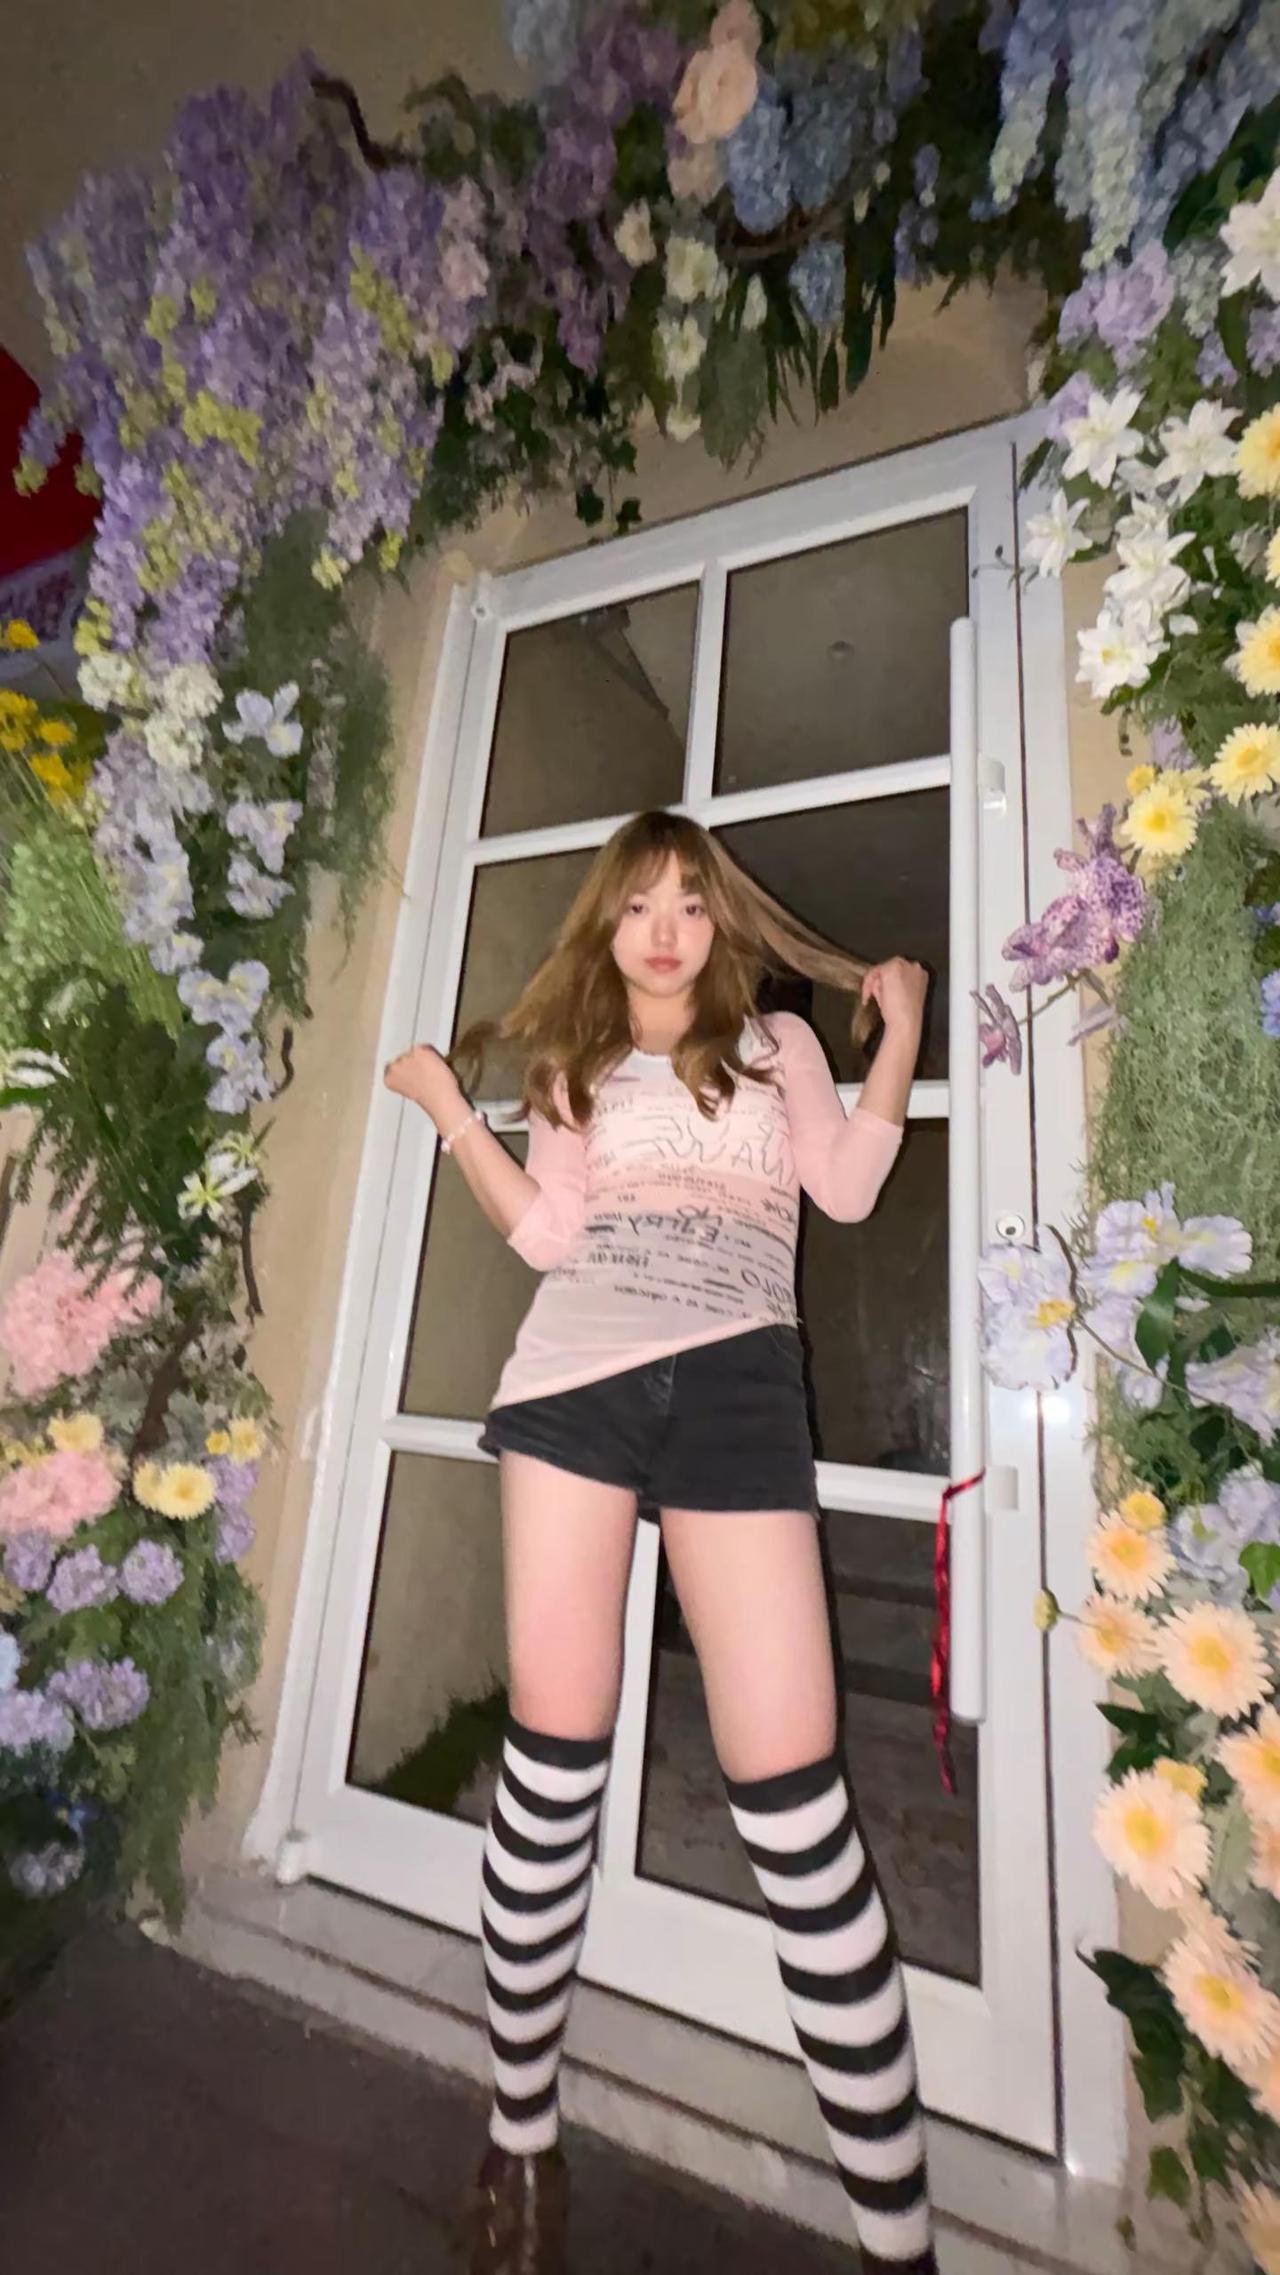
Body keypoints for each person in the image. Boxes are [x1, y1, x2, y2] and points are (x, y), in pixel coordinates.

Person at [383, 808, 935, 2275]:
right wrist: (450, 1111)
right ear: (608, 926)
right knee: (552, 1769)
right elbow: (551, 1241)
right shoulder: (573, 1069)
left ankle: (898, 2241)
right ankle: (519, 2148)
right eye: (639, 905)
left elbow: (847, 1186)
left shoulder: (778, 1045)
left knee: (799, 1807)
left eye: (691, 900)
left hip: (744, 1390)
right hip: (576, 1388)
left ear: (720, 920)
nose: (668, 928)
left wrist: (900, 1035)